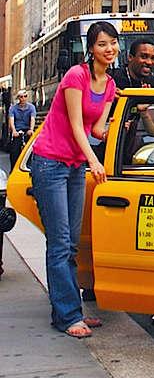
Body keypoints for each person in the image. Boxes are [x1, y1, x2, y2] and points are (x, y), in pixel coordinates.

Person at [29, 21, 119, 338]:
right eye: (102, 44)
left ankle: (69, 310)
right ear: (90, 49)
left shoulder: (110, 85)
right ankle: (67, 316)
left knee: (71, 244)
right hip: (50, 162)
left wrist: (126, 124)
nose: (109, 49)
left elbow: (97, 130)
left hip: (75, 166)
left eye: (113, 43)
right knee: (60, 243)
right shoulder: (75, 76)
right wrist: (94, 160)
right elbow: (77, 126)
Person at [8, 89, 36, 170]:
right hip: (17, 131)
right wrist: (14, 131)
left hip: (27, 130)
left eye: (25, 96)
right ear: (18, 98)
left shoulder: (31, 107)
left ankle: (30, 169)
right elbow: (11, 120)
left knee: (30, 151)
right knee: (14, 152)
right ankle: (13, 169)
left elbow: (32, 119)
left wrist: (31, 129)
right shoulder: (13, 108)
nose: (23, 98)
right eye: (21, 97)